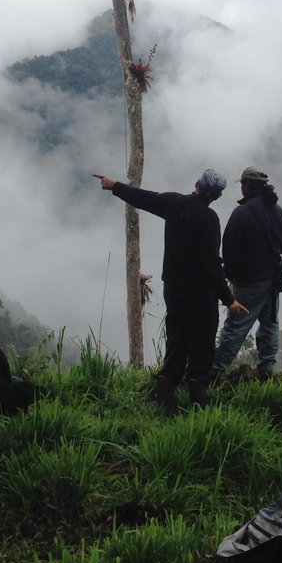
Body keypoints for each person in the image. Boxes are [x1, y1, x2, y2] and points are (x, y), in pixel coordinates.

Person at [94, 169, 246, 412]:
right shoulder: (209, 219)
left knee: (176, 339)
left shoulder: (174, 203)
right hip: (200, 294)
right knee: (202, 344)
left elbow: (143, 198)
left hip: (173, 289)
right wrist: (229, 300)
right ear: (217, 195)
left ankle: (165, 400)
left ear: (196, 184)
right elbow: (211, 264)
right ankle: (198, 404)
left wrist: (114, 186)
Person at [211, 165, 282, 381]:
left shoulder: (242, 213)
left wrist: (233, 276)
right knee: (270, 324)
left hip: (247, 283)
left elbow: (229, 250)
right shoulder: (279, 212)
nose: (242, 187)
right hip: (273, 281)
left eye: (243, 184)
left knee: (236, 328)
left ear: (247, 185)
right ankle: (266, 369)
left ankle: (215, 371)